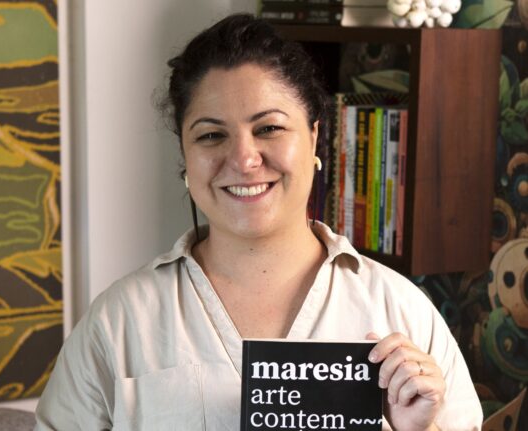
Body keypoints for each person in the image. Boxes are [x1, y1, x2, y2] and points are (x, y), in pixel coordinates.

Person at [35, 13, 482, 431]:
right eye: (212, 135)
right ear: (185, 155)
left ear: (314, 137)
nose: (244, 159)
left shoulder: (402, 313)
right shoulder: (118, 323)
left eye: (268, 128)